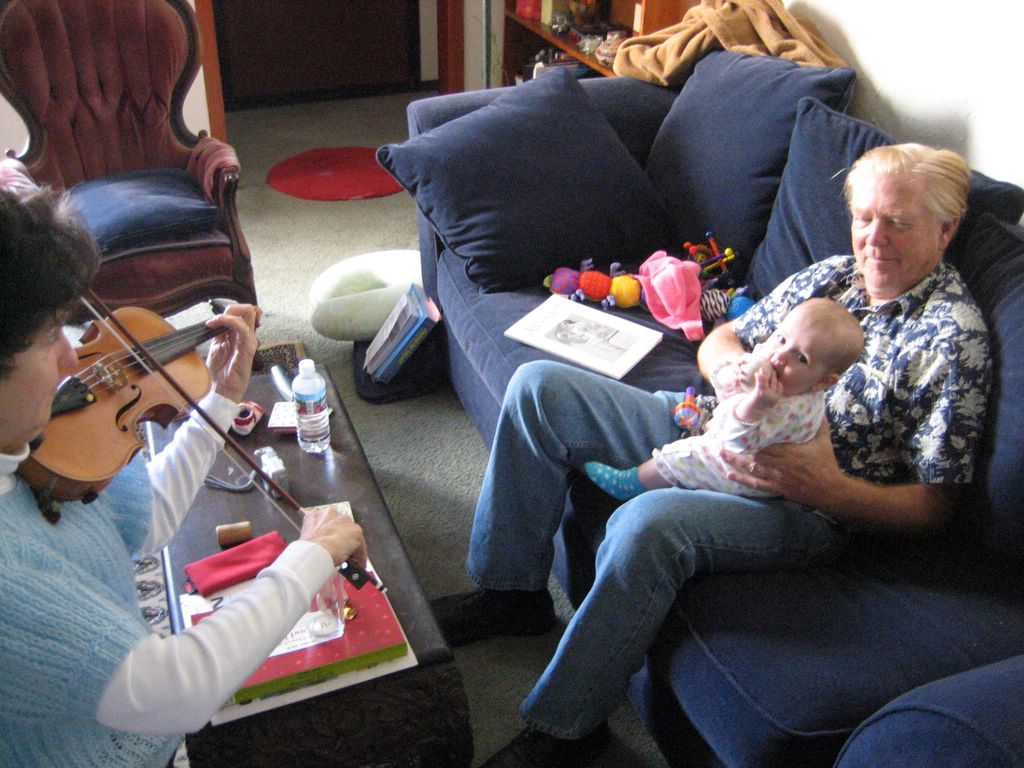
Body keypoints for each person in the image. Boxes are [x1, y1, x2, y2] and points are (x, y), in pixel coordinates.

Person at [430, 143, 991, 768]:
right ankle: (510, 593)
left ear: (946, 229)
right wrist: (732, 374)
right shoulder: (833, 277)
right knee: (540, 387)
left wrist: (825, 488)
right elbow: (725, 335)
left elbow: (936, 505)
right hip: (708, 423)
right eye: (864, 217)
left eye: (898, 223)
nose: (873, 239)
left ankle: (568, 729)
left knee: (647, 524)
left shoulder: (952, 339)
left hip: (794, 505)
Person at [0, 187, 367, 767]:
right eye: (50, 340)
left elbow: (146, 518)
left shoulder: (24, 454)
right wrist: (309, 556)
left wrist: (221, 397)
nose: (73, 363)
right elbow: (174, 692)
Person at [585, 298, 864, 500]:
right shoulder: (778, 369)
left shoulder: (790, 408)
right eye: (781, 339)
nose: (779, 356)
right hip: (714, 420)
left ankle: (631, 484)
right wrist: (729, 373)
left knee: (682, 455)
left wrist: (754, 407)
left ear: (823, 382)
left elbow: (739, 445)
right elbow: (729, 365)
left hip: (744, 472)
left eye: (800, 358)